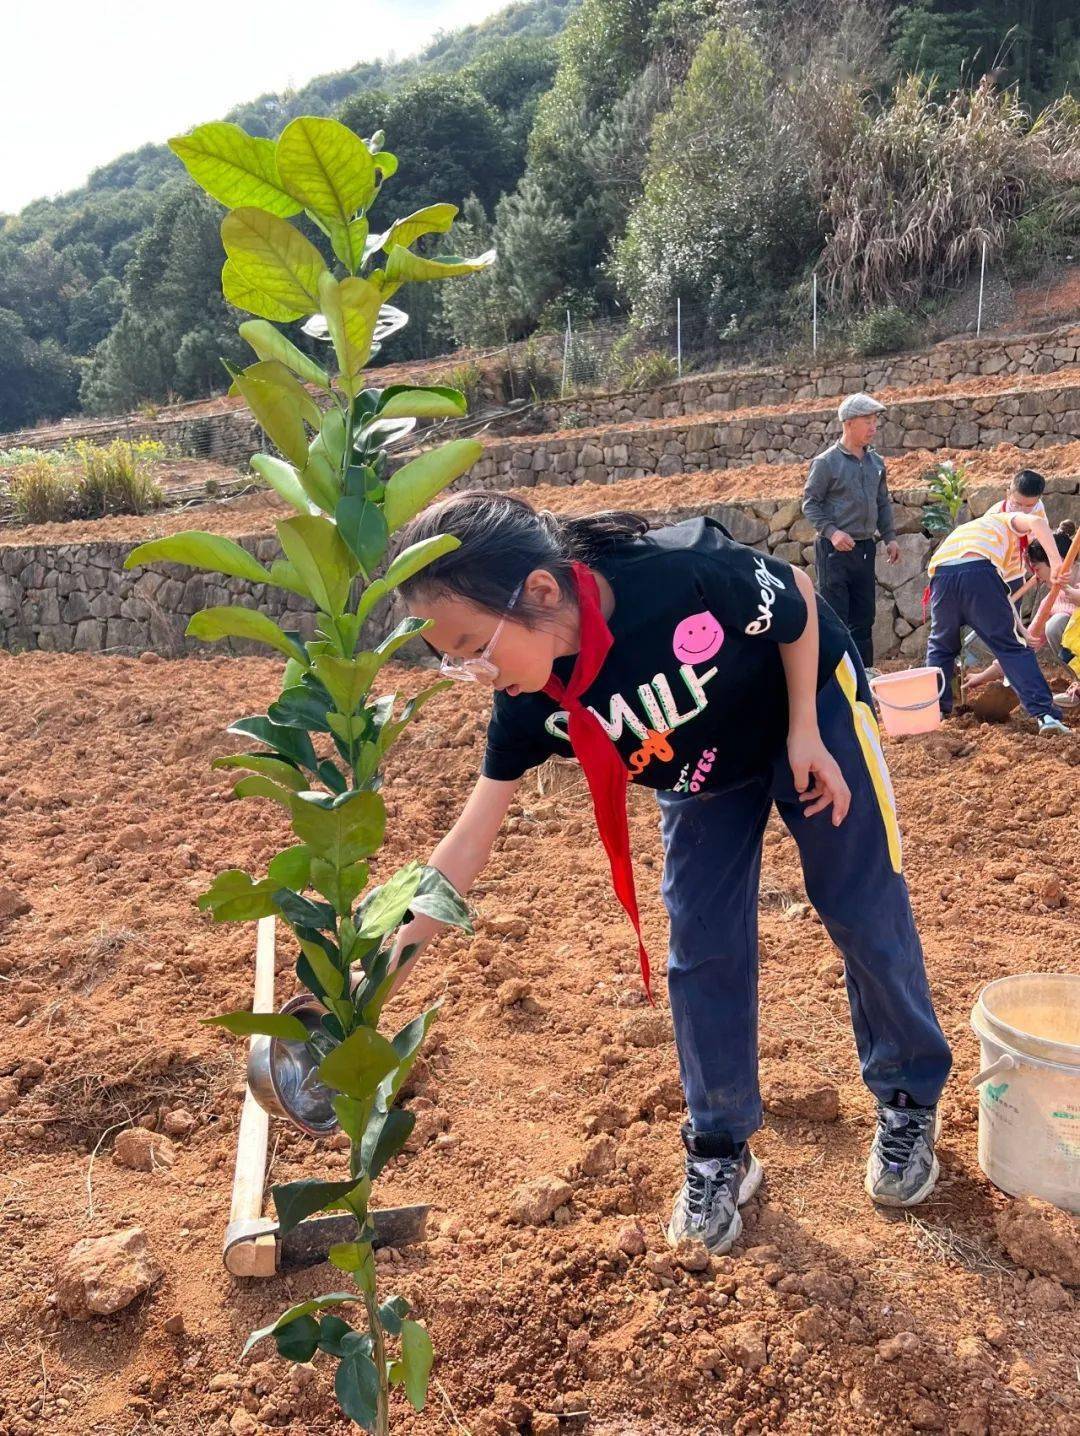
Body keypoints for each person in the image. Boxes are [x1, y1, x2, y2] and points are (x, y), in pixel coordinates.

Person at [385, 491, 953, 1255]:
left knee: (860, 906)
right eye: (447, 659)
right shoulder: (530, 702)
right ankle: (720, 1146)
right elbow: (466, 844)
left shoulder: (677, 574)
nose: (467, 670)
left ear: (541, 593)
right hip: (703, 770)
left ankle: (909, 1093)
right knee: (702, 947)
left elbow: (797, 601)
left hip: (804, 706)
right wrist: (370, 980)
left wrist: (807, 734)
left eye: (469, 644)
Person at [925, 507, 1068, 734]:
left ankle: (933, 714)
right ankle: (1046, 716)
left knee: (941, 647)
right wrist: (1056, 562)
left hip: (941, 576)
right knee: (1011, 648)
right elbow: (1037, 522)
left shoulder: (978, 534)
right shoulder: (1004, 521)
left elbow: (1006, 598)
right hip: (977, 571)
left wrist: (1021, 628)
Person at [803, 392, 900, 671]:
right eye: (867, 421)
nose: (873, 427)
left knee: (864, 618)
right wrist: (832, 532)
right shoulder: (826, 463)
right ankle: (837, 677)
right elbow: (810, 503)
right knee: (836, 619)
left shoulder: (876, 463)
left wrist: (890, 537)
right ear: (847, 423)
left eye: (875, 421)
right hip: (834, 551)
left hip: (865, 549)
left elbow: (882, 501)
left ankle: (864, 676)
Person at [966, 522, 1080, 706]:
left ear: (1056, 560)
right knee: (1054, 626)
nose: (1037, 578)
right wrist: (982, 677)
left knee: (1057, 624)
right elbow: (1024, 646)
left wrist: (1069, 591)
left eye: (1037, 570)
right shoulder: (1051, 601)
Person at [987, 469, 1048, 596]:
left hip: (1017, 574)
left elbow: (1041, 536)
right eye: (1017, 504)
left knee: (1014, 614)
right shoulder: (994, 517)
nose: (1022, 511)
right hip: (996, 577)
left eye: (1029, 506)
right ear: (1008, 493)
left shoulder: (1038, 507)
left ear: (1038, 499)